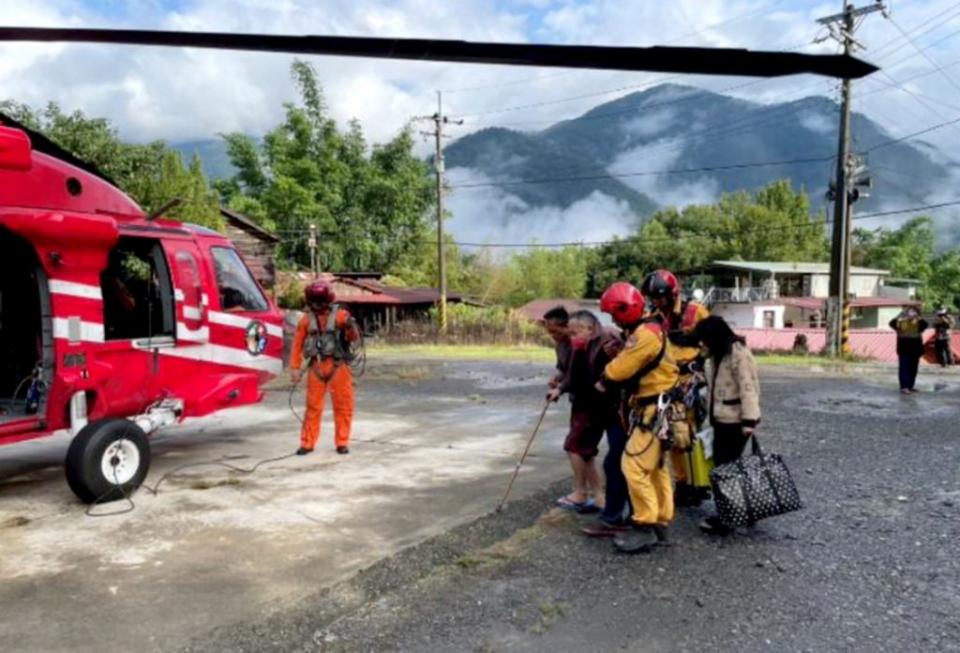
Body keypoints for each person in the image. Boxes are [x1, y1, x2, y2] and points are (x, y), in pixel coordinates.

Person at [597, 282, 679, 553]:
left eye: (615, 314)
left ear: (627, 309)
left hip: (653, 410)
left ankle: (644, 526)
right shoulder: (651, 329)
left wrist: (606, 374)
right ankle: (660, 524)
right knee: (655, 468)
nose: (614, 320)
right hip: (659, 408)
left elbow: (618, 371)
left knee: (632, 465)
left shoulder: (644, 335)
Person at [641, 269, 710, 508]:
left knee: (694, 433)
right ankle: (682, 484)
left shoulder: (696, 311)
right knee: (674, 435)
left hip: (691, 380)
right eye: (653, 297)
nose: (657, 301)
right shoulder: (653, 316)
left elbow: (713, 339)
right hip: (668, 383)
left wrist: (697, 354)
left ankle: (700, 482)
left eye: (660, 296)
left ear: (673, 293)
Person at [692, 316, 761, 535]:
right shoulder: (717, 354)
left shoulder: (738, 354)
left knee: (725, 470)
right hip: (720, 420)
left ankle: (727, 518)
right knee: (728, 468)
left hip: (735, 421)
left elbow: (748, 387)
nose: (701, 344)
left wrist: (749, 421)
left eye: (704, 339)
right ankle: (744, 511)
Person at [290, 280, 360, 455]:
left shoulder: (341, 316)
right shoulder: (306, 321)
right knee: (313, 407)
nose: (317, 306)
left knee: (343, 406)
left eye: (320, 302)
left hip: (338, 365)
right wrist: (295, 367)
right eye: (314, 303)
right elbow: (297, 344)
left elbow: (353, 338)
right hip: (317, 366)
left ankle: (342, 442)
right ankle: (307, 443)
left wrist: (351, 327)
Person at [890, 306, 929, 394]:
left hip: (915, 349)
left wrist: (918, 317)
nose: (911, 314)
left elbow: (925, 324)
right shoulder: (900, 322)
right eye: (909, 312)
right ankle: (904, 387)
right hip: (904, 349)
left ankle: (910, 386)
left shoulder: (918, 323)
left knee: (913, 369)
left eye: (913, 312)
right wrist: (901, 315)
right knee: (904, 368)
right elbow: (891, 323)